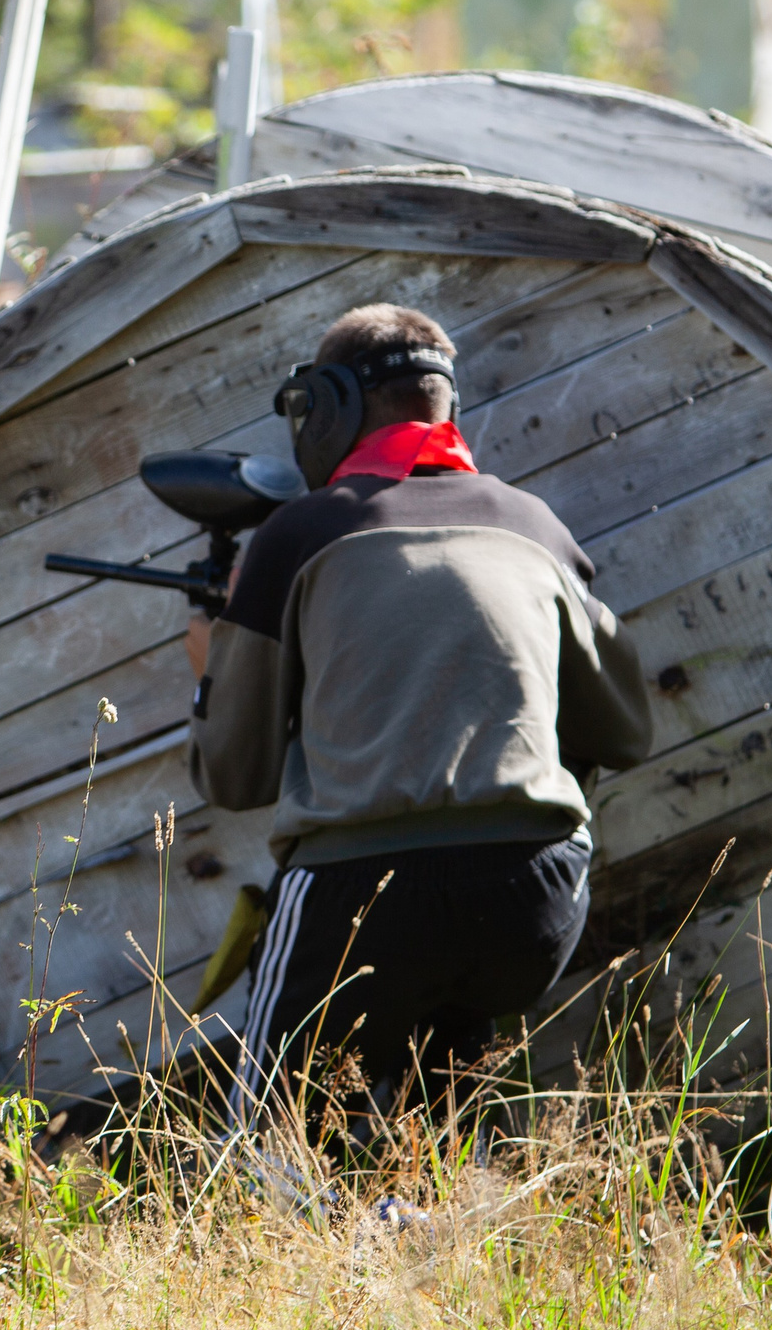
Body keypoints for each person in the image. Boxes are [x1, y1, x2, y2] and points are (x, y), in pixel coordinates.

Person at [185, 302, 652, 1138]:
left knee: (266, 1153)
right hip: (535, 901)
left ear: (329, 405)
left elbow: (235, 774)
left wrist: (210, 665)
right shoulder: (535, 526)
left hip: (360, 895)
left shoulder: (297, 534)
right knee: (437, 1129)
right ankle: (434, 1205)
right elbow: (624, 731)